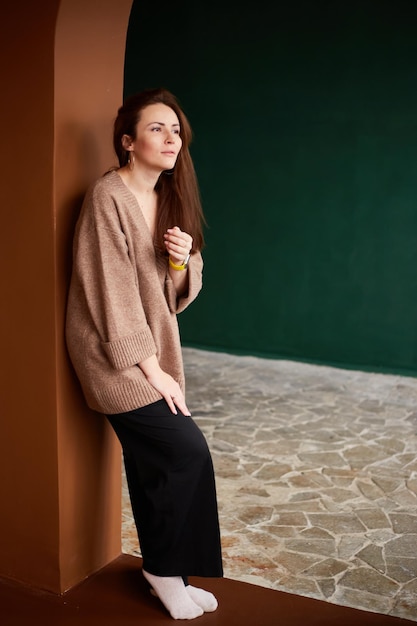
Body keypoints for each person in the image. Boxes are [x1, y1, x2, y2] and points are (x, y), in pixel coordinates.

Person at [65, 88, 223, 620]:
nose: (171, 137)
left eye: (176, 129)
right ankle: (162, 569)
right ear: (128, 142)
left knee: (156, 464)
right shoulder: (107, 197)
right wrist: (156, 373)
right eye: (157, 128)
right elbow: (111, 293)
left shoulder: (171, 200)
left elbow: (176, 296)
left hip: (152, 350)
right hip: (113, 354)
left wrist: (181, 264)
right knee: (184, 452)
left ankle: (168, 570)